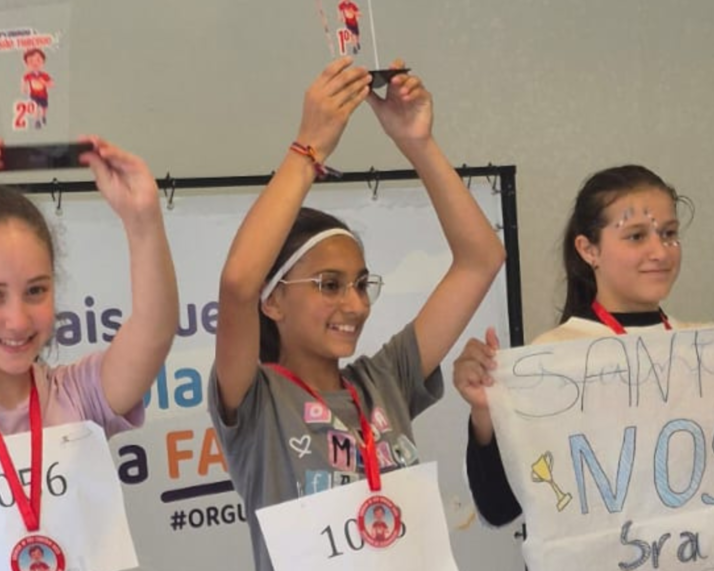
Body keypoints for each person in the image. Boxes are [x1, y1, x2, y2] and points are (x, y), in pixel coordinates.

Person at [209, 56, 505, 570]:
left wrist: (417, 142)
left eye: (362, 284)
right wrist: (310, 149)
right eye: (329, 285)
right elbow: (237, 284)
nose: (356, 304)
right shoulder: (257, 401)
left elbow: (481, 259)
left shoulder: (383, 381)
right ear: (272, 300)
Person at [0, 137, 178, 571]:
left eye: (36, 290)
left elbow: (154, 331)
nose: (18, 319)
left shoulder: (79, 395)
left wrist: (143, 221)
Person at [454, 164, 695, 526]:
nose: (660, 252)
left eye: (669, 233)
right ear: (588, 249)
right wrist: (486, 413)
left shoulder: (705, 350)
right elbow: (499, 507)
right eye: (636, 236)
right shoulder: (553, 359)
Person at [21, 49, 52, 128]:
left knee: (44, 107)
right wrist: (24, 88)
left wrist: (44, 83)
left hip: (43, 95)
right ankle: (37, 121)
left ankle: (43, 116)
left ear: (43, 62)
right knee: (36, 108)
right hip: (34, 95)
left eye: (38, 60)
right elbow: (24, 80)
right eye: (31, 61)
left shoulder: (44, 75)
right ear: (27, 64)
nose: (35, 64)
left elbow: (51, 84)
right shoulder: (29, 75)